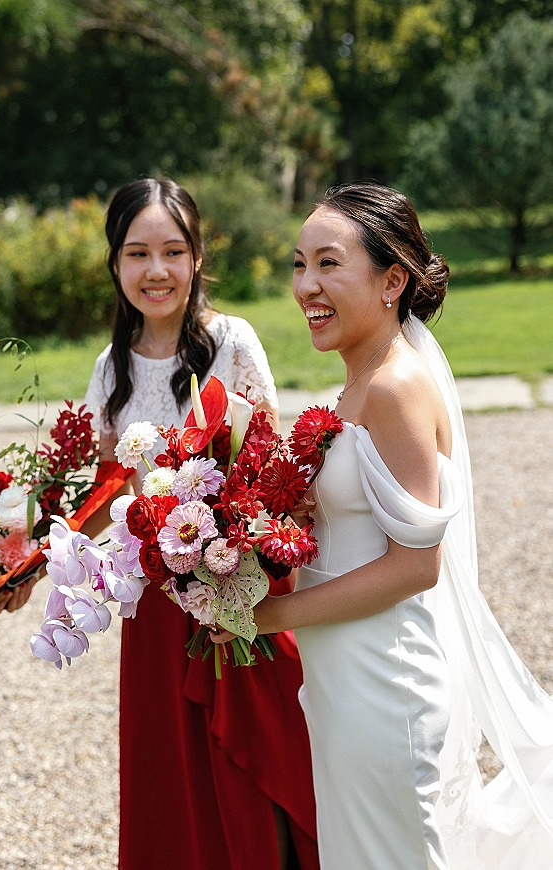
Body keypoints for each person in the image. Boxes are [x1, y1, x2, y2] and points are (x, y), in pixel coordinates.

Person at [214, 183, 553, 868]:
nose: (306, 285)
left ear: (393, 279)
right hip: (345, 678)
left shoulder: (397, 386)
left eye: (329, 264)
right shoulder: (359, 379)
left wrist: (267, 615)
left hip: (386, 683)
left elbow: (414, 565)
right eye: (298, 263)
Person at [84, 178, 319, 870]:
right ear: (115, 264)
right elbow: (107, 485)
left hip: (237, 590)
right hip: (155, 608)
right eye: (137, 253)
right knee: (171, 777)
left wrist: (234, 568)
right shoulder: (110, 369)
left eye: (172, 251)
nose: (156, 271)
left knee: (253, 770)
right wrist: (42, 553)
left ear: (196, 258)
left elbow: (272, 471)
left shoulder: (231, 343)